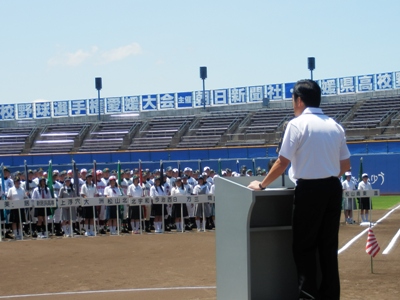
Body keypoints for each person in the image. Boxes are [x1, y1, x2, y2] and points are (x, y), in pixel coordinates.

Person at [248, 80, 351, 300]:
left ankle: (307, 297)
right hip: (333, 188)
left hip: (309, 190)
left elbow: (282, 162)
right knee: (328, 248)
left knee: (304, 248)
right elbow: (345, 166)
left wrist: (262, 184)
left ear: (299, 100)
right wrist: (326, 173)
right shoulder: (335, 125)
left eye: (293, 99)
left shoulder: (297, 124)